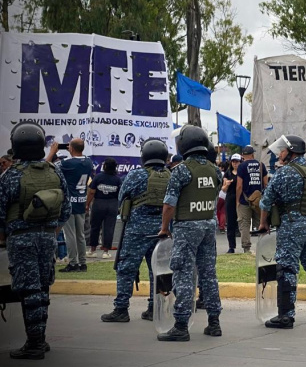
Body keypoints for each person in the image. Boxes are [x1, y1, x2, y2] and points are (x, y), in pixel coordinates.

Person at [0, 122, 70, 359]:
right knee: (42, 288)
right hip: (48, 238)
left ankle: (35, 344)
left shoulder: (11, 176)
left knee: (29, 291)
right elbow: (66, 210)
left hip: (21, 239)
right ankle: (40, 338)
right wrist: (51, 231)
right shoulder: (54, 172)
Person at [157, 125, 223, 341]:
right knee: (208, 274)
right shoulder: (215, 170)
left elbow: (169, 204)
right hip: (208, 226)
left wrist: (164, 228)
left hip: (186, 227)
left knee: (184, 274)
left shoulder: (181, 170)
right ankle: (214, 322)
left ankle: (181, 326)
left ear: (184, 144)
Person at [258, 135, 306, 328]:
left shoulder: (284, 173)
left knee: (287, 269)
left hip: (291, 226)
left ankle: (286, 316)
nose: (280, 154)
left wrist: (263, 223)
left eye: (282, 150)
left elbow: (266, 202)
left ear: (290, 152)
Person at [101, 139, 171, 323]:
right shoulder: (171, 175)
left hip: (137, 231)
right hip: (162, 230)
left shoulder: (136, 175)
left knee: (126, 269)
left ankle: (121, 309)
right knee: (158, 270)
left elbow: (122, 197)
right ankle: (154, 308)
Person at [49, 138, 94, 273]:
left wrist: (52, 152)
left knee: (70, 235)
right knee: (80, 235)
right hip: (81, 200)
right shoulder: (88, 161)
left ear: (71, 148)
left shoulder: (66, 163)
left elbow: (46, 166)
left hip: (69, 202)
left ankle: (73, 262)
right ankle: (83, 262)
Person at [86, 158, 122, 258]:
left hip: (99, 203)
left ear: (105, 166)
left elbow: (92, 192)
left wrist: (87, 204)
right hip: (112, 204)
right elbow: (120, 194)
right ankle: (106, 252)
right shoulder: (117, 179)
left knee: (95, 227)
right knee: (109, 228)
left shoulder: (98, 177)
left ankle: (92, 250)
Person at [236, 145, 268, 254]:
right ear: (253, 154)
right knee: (260, 222)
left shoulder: (241, 166)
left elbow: (239, 186)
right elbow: (266, 183)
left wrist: (237, 200)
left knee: (245, 224)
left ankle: (246, 249)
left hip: (245, 200)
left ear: (243, 155)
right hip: (259, 200)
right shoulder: (261, 165)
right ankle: (263, 247)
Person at [223, 154, 241, 253]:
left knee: (242, 222)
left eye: (237, 162)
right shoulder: (228, 173)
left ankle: (245, 245)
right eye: (233, 162)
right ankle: (231, 246)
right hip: (230, 198)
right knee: (230, 223)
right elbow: (223, 189)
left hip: (241, 198)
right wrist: (227, 185)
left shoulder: (242, 172)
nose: (235, 163)